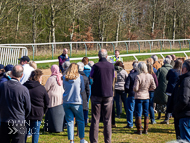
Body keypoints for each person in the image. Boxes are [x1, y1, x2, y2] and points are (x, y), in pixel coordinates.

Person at [0, 65, 31, 143]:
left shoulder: (3, 86)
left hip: (5, 120)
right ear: (21, 75)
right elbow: (28, 107)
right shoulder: (23, 89)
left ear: (11, 73)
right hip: (18, 121)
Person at [90, 49, 114, 143]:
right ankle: (108, 140)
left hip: (97, 94)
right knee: (107, 120)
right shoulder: (111, 66)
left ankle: (94, 141)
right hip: (108, 94)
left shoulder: (96, 66)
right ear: (107, 56)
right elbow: (112, 77)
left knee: (95, 119)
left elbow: (91, 77)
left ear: (98, 56)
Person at [62, 63, 87, 143]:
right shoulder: (80, 78)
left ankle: (71, 140)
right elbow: (82, 89)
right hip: (76, 101)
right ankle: (81, 139)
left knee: (70, 121)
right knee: (80, 120)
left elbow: (63, 87)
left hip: (66, 101)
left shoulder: (64, 77)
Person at [24, 69, 49, 143]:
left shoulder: (24, 86)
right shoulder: (41, 88)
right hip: (37, 113)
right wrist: (43, 112)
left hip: (26, 113)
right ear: (38, 78)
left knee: (24, 132)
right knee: (35, 132)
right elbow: (47, 102)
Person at [133, 62, 156, 135]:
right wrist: (148, 89)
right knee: (146, 113)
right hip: (146, 96)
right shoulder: (150, 76)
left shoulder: (138, 76)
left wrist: (135, 89)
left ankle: (139, 130)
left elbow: (136, 88)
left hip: (139, 96)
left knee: (138, 113)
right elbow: (154, 87)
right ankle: (146, 130)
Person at [170, 59, 190, 141]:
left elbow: (184, 99)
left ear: (185, 69)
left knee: (185, 140)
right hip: (185, 114)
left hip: (185, 115)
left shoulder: (186, 81)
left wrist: (175, 110)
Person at [161, 59, 182, 125]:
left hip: (171, 90)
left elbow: (167, 78)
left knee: (169, 104)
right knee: (177, 104)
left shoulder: (171, 71)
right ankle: (176, 118)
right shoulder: (181, 72)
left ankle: (167, 119)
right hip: (178, 90)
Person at [44, 65, 65, 133]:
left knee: (51, 112)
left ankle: (50, 127)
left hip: (53, 98)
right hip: (61, 97)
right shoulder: (61, 77)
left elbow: (46, 88)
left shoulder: (51, 78)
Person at [124, 62, 138, 128]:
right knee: (138, 110)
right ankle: (138, 123)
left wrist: (127, 92)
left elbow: (127, 86)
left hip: (132, 94)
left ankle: (130, 123)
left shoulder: (131, 75)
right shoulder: (142, 74)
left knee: (130, 109)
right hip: (139, 94)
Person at [77, 62, 90, 126]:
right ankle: (85, 121)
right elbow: (88, 89)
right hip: (83, 95)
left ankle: (77, 121)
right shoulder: (85, 78)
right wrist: (87, 97)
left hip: (76, 95)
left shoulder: (75, 77)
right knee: (85, 109)